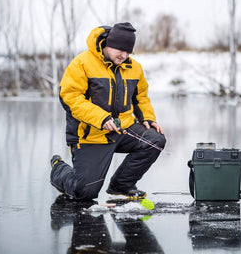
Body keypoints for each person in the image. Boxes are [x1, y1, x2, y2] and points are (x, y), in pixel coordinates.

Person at [50, 22, 166, 201]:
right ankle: (59, 169)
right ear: (107, 44)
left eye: (128, 51)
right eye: (120, 50)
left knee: (155, 140)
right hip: (90, 135)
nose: (124, 55)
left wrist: (148, 118)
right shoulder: (82, 63)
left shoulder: (134, 67)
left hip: (123, 130)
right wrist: (101, 118)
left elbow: (140, 97)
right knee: (85, 192)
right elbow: (70, 97)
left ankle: (122, 185)